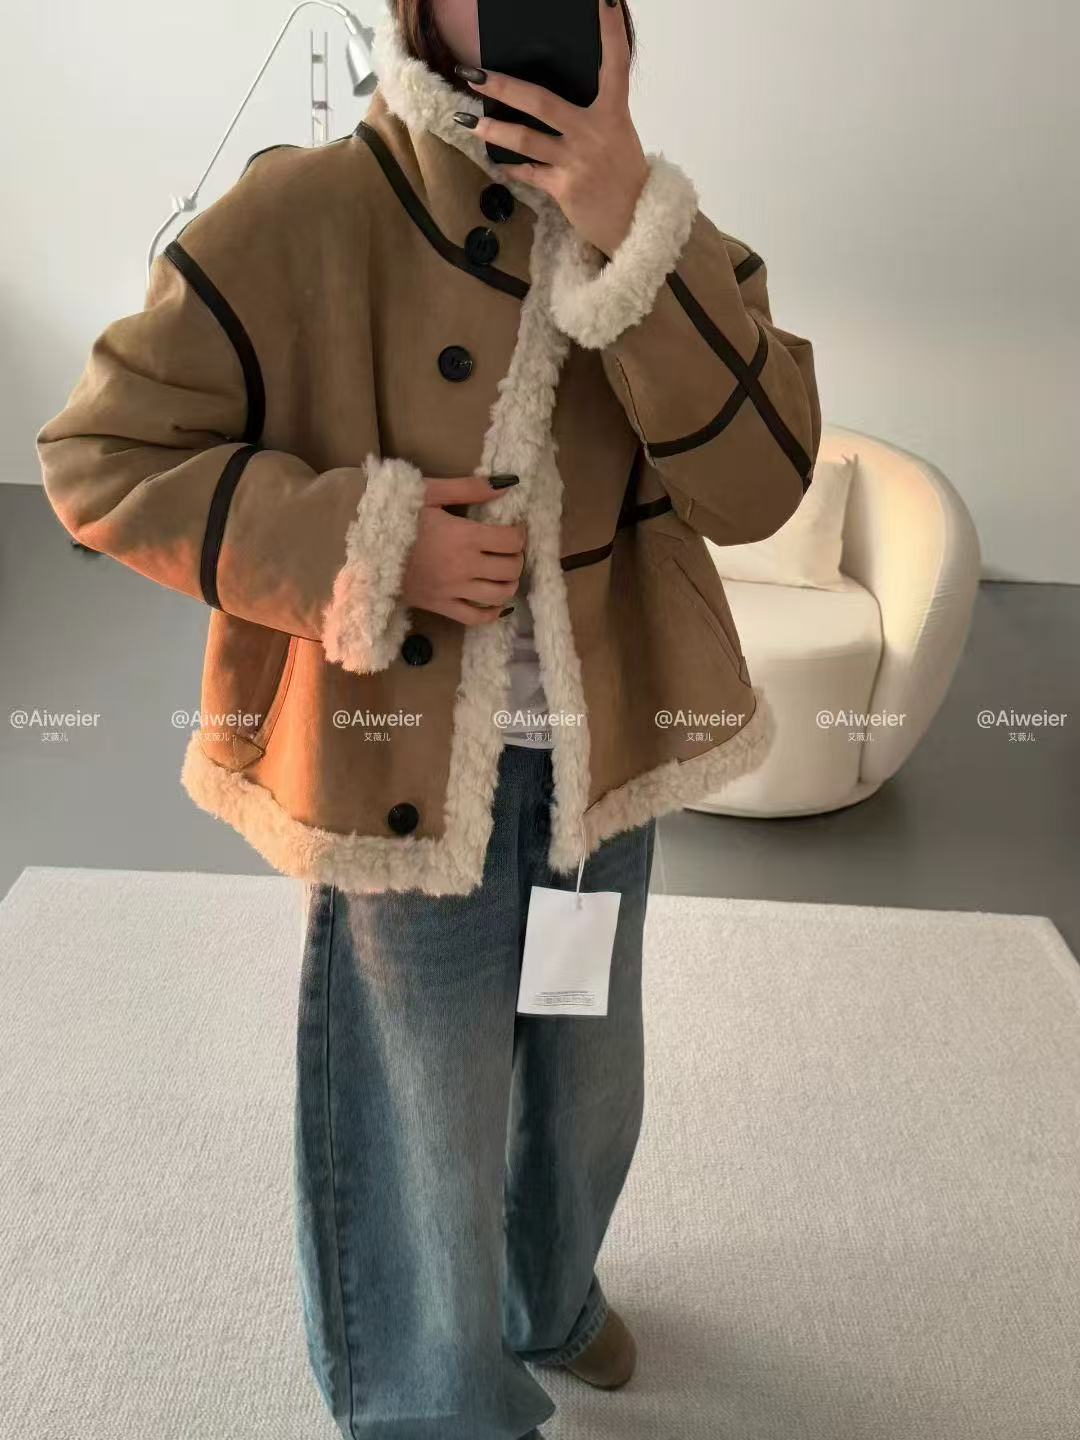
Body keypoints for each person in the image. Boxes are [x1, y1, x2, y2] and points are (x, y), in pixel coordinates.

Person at [36, 1, 821, 1434]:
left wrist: (633, 228)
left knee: (586, 1084)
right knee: (422, 1116)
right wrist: (372, 544)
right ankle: (431, 1406)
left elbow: (759, 487)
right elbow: (98, 456)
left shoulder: (667, 238)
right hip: (391, 768)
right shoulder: (303, 216)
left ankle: (549, 1297)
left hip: (600, 763)